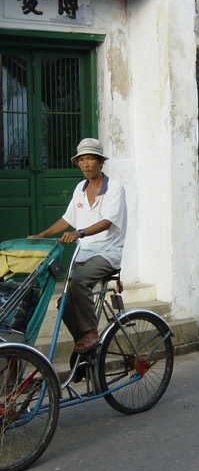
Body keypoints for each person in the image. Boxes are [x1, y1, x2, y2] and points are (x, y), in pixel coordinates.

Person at [28, 138, 127, 354]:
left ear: (101, 162)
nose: (85, 164)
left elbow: (107, 221)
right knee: (64, 301)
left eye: (90, 159)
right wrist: (41, 236)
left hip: (107, 252)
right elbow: (67, 219)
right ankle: (83, 345)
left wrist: (79, 232)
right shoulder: (80, 189)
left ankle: (91, 332)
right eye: (81, 160)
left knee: (79, 283)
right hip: (83, 254)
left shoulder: (115, 189)